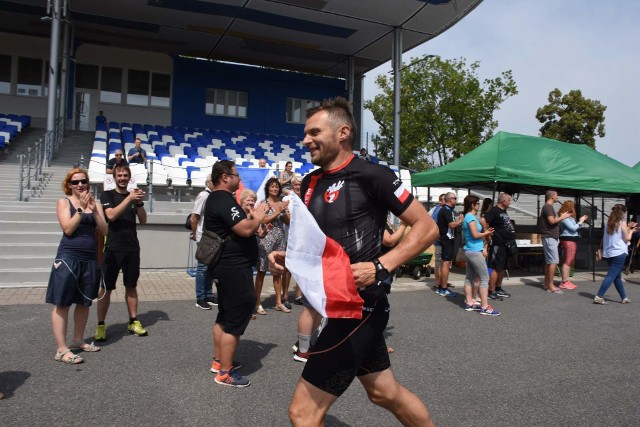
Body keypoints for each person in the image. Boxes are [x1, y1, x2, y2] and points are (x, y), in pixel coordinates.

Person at [269, 97, 437, 426]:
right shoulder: (309, 185)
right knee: (384, 393)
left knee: (302, 413)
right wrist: (289, 257)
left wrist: (381, 266)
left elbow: (426, 226)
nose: (305, 140)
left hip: (361, 307)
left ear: (343, 132)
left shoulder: (373, 175)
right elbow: (322, 245)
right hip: (334, 305)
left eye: (314, 132)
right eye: (305, 133)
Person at [205, 160, 268, 387]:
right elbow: (246, 228)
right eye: (235, 175)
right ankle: (225, 373)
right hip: (232, 267)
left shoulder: (220, 199)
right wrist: (259, 214)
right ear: (224, 177)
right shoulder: (222, 199)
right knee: (236, 316)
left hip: (227, 266)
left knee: (225, 315)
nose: (239, 179)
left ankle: (219, 361)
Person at [47, 168, 108, 364]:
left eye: (83, 181)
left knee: (84, 302)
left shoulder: (95, 203)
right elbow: (68, 228)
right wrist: (81, 208)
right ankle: (62, 349)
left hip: (90, 258)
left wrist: (94, 209)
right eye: (75, 182)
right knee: (63, 302)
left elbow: (104, 230)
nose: (80, 185)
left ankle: (77, 341)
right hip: (68, 257)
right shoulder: (63, 202)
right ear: (69, 185)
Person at [95, 164, 148, 341]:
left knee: (131, 286)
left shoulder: (134, 198)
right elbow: (110, 216)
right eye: (120, 175)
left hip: (132, 248)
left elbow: (143, 220)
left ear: (130, 177)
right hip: (112, 248)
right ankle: (101, 325)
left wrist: (138, 202)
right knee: (106, 289)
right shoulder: (107, 195)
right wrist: (129, 199)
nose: (123, 178)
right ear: (115, 178)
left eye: (126, 175)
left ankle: (133, 321)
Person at [255, 177, 291, 314]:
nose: (275, 189)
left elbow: (287, 222)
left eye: (277, 186)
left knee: (278, 271)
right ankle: (258, 303)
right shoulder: (263, 203)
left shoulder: (282, 203)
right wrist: (277, 212)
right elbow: (263, 220)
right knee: (262, 271)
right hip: (266, 239)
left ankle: (278, 302)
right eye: (272, 186)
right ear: (267, 188)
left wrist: (284, 211)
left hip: (280, 238)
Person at [461, 195, 498, 316]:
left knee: (469, 277)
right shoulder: (470, 218)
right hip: (474, 251)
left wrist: (485, 233)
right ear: (473, 205)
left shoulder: (469, 217)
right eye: (477, 204)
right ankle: (484, 306)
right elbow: (475, 235)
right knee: (484, 277)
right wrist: (486, 233)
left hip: (470, 251)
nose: (479, 206)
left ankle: (469, 302)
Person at [594, 204, 637, 304]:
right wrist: (632, 231)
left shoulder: (608, 222)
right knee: (611, 275)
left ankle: (624, 297)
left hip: (609, 252)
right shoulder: (622, 223)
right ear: (622, 213)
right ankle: (599, 296)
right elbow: (627, 238)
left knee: (617, 276)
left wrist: (628, 228)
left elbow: (617, 235)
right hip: (619, 252)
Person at [190, 174, 219, 310]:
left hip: (212, 237)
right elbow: (194, 217)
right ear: (208, 182)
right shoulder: (203, 196)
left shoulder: (212, 196)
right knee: (202, 268)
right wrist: (195, 234)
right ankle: (200, 297)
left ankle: (208, 294)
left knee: (210, 268)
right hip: (204, 237)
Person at [481, 193, 515, 300]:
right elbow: (483, 220)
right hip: (497, 244)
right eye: (509, 200)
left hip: (506, 244)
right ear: (503, 201)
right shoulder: (494, 210)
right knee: (496, 267)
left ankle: (498, 287)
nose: (510, 202)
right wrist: (488, 234)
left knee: (503, 267)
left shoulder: (503, 211)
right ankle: (491, 290)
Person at [538, 190, 571, 294]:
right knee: (553, 261)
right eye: (556, 195)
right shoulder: (548, 207)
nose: (557, 197)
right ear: (552, 196)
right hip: (549, 237)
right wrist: (562, 217)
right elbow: (551, 221)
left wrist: (561, 217)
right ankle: (551, 285)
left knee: (549, 261)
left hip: (549, 237)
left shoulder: (547, 207)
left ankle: (547, 283)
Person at [436, 192, 463, 297]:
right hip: (447, 239)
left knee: (444, 263)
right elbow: (452, 225)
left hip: (446, 239)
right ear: (450, 199)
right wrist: (460, 221)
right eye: (455, 198)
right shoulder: (446, 210)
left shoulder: (446, 210)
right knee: (446, 264)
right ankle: (443, 288)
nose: (456, 201)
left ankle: (441, 286)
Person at [558, 200, 588, 290]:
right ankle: (564, 282)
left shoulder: (570, 218)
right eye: (573, 207)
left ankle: (566, 280)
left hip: (572, 240)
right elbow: (572, 228)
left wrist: (579, 222)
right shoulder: (565, 218)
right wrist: (581, 221)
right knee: (568, 260)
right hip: (568, 240)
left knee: (570, 260)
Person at [429, 194, 446, 292]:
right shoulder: (438, 210)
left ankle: (441, 282)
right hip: (439, 240)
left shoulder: (441, 209)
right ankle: (437, 283)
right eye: (445, 199)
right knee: (439, 262)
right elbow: (434, 223)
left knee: (442, 262)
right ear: (440, 201)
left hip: (441, 239)